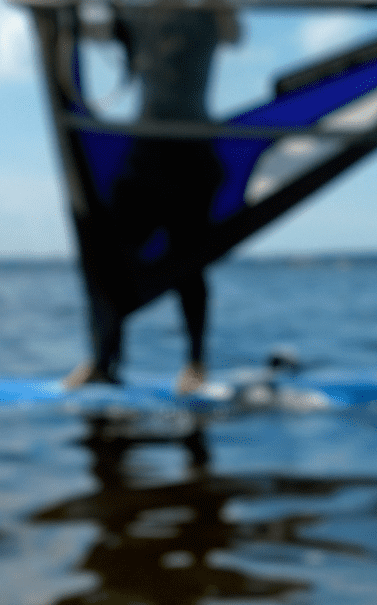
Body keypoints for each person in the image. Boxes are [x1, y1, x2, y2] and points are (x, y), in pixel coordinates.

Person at [63, 2, 240, 393]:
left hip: (193, 153)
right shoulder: (138, 15)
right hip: (146, 156)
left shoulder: (205, 16)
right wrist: (62, 13)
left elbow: (234, 32)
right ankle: (103, 361)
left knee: (189, 263)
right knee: (108, 257)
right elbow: (91, 33)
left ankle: (195, 365)